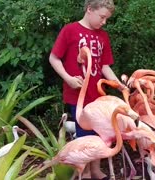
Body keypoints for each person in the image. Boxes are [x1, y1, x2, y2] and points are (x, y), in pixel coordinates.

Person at [49, 0, 122, 179]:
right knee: (83, 134)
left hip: (97, 96)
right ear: (90, 9)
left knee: (99, 133)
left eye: (106, 19)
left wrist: (117, 83)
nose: (104, 22)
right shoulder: (70, 30)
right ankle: (85, 171)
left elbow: (105, 66)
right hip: (78, 95)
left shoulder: (102, 36)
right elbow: (54, 58)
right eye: (102, 17)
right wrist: (68, 78)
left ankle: (95, 170)